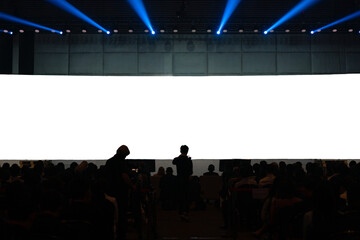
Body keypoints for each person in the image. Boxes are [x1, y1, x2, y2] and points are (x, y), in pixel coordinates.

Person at [105, 145, 136, 240]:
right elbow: (124, 176)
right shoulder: (121, 162)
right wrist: (132, 186)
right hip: (121, 191)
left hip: (110, 190)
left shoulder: (109, 161)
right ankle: (121, 234)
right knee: (122, 213)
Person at [172, 145, 193, 221]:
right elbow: (190, 172)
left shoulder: (178, 159)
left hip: (179, 180)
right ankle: (186, 212)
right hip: (186, 180)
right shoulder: (189, 160)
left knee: (180, 196)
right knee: (186, 197)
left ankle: (181, 212)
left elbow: (173, 162)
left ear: (181, 151)